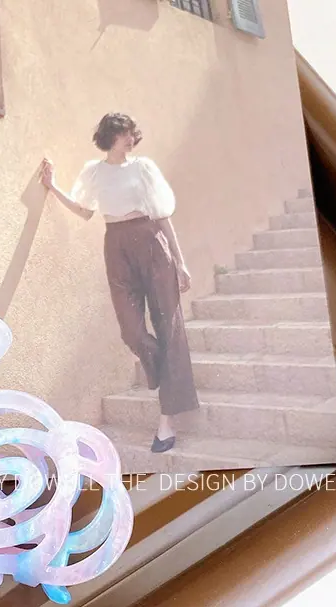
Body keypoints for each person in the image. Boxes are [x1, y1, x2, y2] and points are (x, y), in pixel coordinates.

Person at [40, 112, 199, 453]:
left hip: (152, 241)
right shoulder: (94, 172)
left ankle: (166, 422)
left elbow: (162, 216)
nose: (131, 139)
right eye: (124, 133)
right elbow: (84, 210)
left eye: (132, 133)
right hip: (116, 246)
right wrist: (52, 187)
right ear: (110, 136)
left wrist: (180, 262)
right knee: (132, 331)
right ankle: (167, 370)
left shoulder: (143, 168)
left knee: (168, 327)